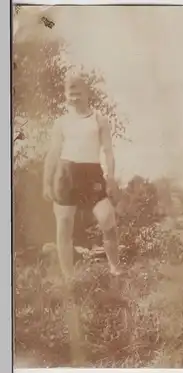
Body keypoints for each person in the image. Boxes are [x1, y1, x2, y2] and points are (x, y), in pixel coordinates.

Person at [43, 72, 122, 279]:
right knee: (64, 224)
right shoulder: (61, 122)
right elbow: (53, 153)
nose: (74, 97)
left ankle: (115, 269)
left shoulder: (99, 119)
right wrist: (46, 181)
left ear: (87, 93)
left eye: (78, 92)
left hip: (92, 173)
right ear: (65, 95)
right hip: (66, 173)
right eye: (70, 93)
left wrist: (111, 177)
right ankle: (69, 278)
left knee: (107, 218)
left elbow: (108, 151)